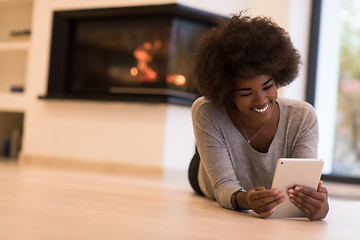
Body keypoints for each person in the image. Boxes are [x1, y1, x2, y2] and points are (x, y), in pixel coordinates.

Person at [188, 12, 329, 220]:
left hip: (256, 172)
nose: (261, 100)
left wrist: (318, 207)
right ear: (227, 93)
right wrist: (244, 200)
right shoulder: (206, 111)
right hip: (208, 175)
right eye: (246, 93)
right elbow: (222, 186)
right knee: (204, 163)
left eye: (268, 87)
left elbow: (302, 190)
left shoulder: (302, 117)